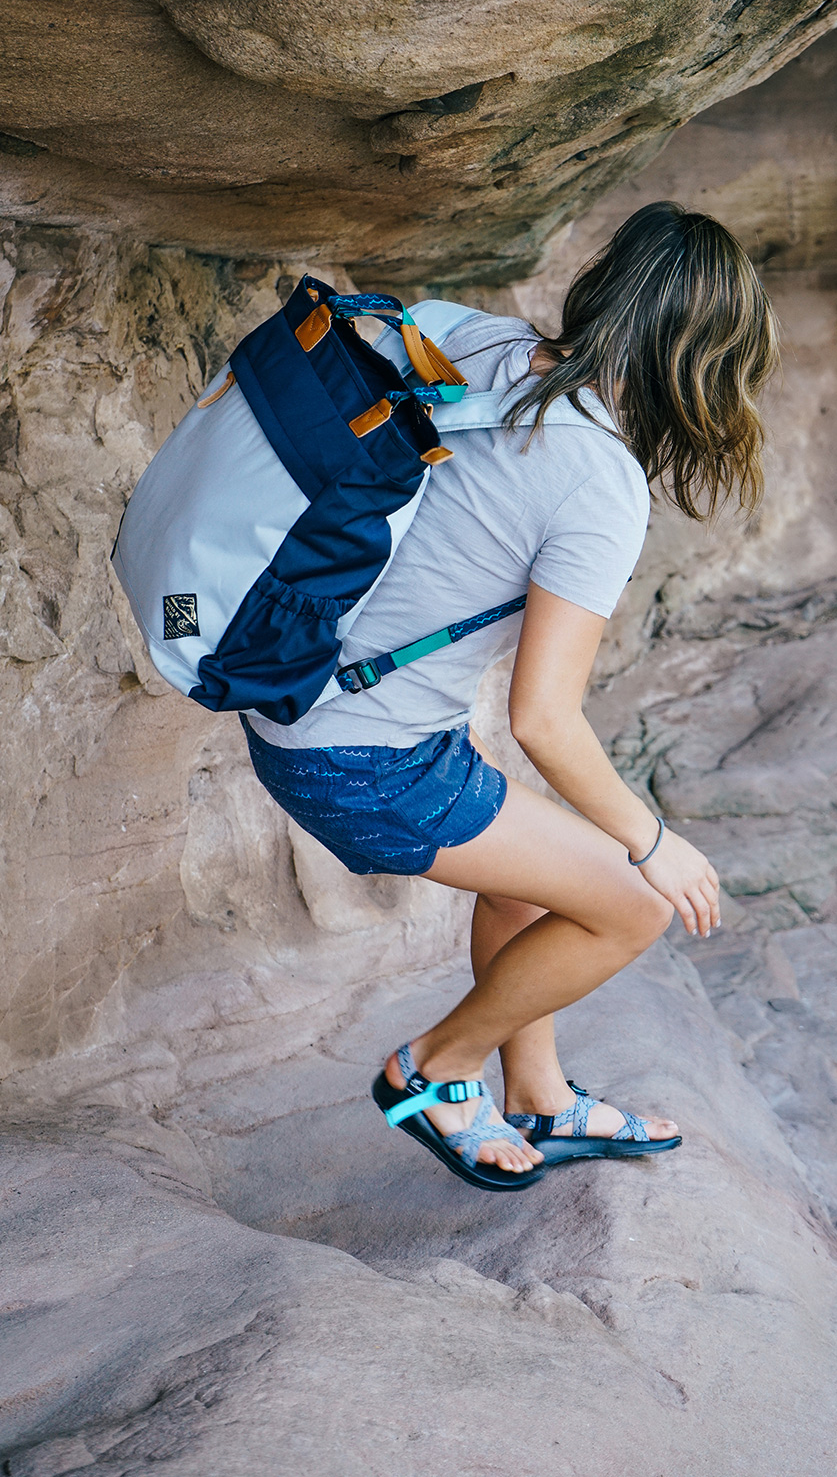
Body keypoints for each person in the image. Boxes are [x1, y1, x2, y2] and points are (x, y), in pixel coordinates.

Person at [242, 200, 779, 1191]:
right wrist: (654, 843)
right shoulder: (600, 487)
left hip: (296, 700)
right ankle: (436, 1070)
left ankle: (539, 1097)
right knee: (627, 908)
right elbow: (543, 718)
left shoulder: (463, 335)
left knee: (524, 879)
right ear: (705, 364)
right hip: (362, 759)